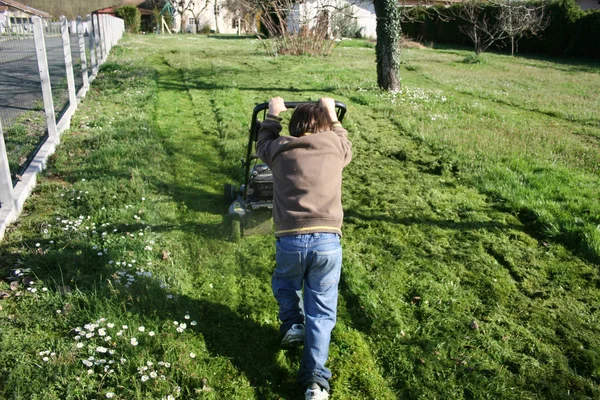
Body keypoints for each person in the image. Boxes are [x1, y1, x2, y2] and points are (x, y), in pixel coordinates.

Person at [257, 97, 352, 400]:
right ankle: (315, 382)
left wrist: (272, 115)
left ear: (294, 128)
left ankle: (291, 321)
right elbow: (343, 138)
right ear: (326, 125)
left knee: (285, 282)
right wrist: (331, 113)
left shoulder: (280, 150)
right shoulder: (335, 147)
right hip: (327, 242)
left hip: (291, 239)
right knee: (322, 310)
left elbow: (263, 144)